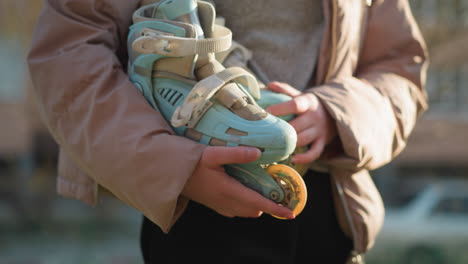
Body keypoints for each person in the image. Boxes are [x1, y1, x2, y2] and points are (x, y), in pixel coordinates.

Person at [27, 0, 428, 263]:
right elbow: (69, 53)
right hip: (193, 206)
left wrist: (336, 113)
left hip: (328, 209)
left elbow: (399, 71)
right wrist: (174, 167)